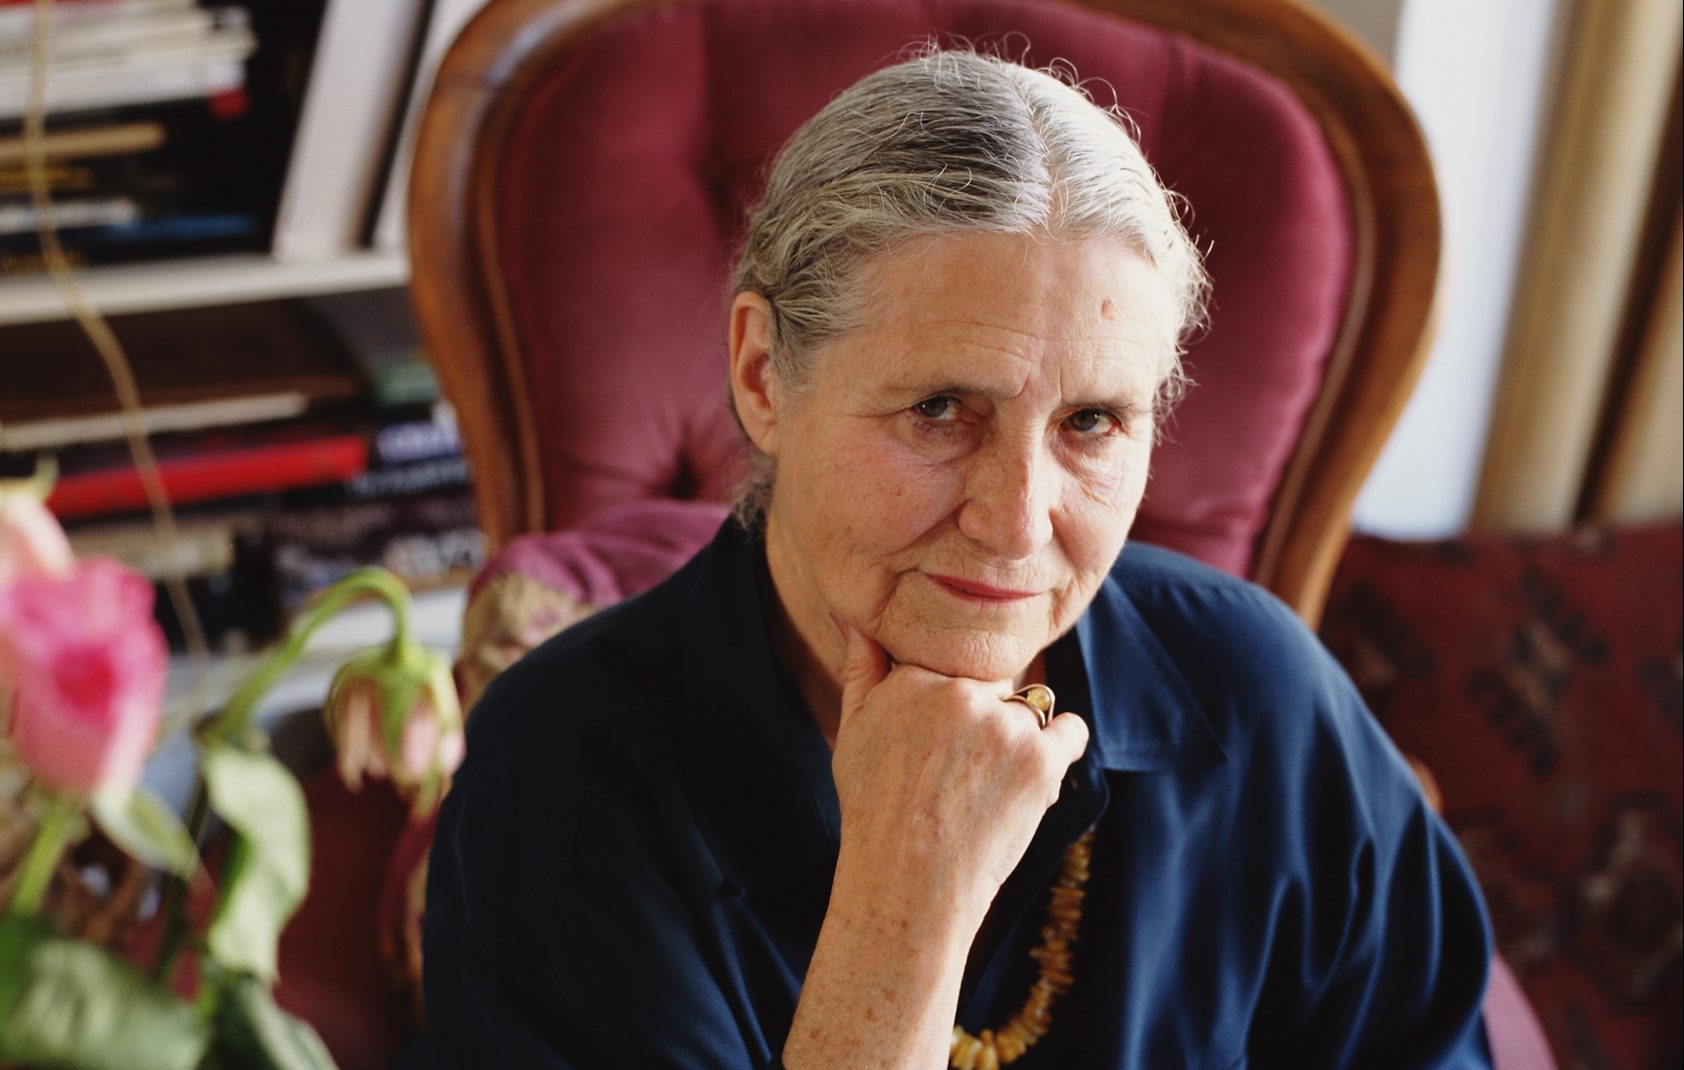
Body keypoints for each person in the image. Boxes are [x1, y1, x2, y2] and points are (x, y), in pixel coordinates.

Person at [416, 50, 1495, 1069]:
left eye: (1092, 423)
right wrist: (904, 905)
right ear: (760, 374)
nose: (1018, 519)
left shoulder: (1256, 694)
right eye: (940, 409)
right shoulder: (554, 778)